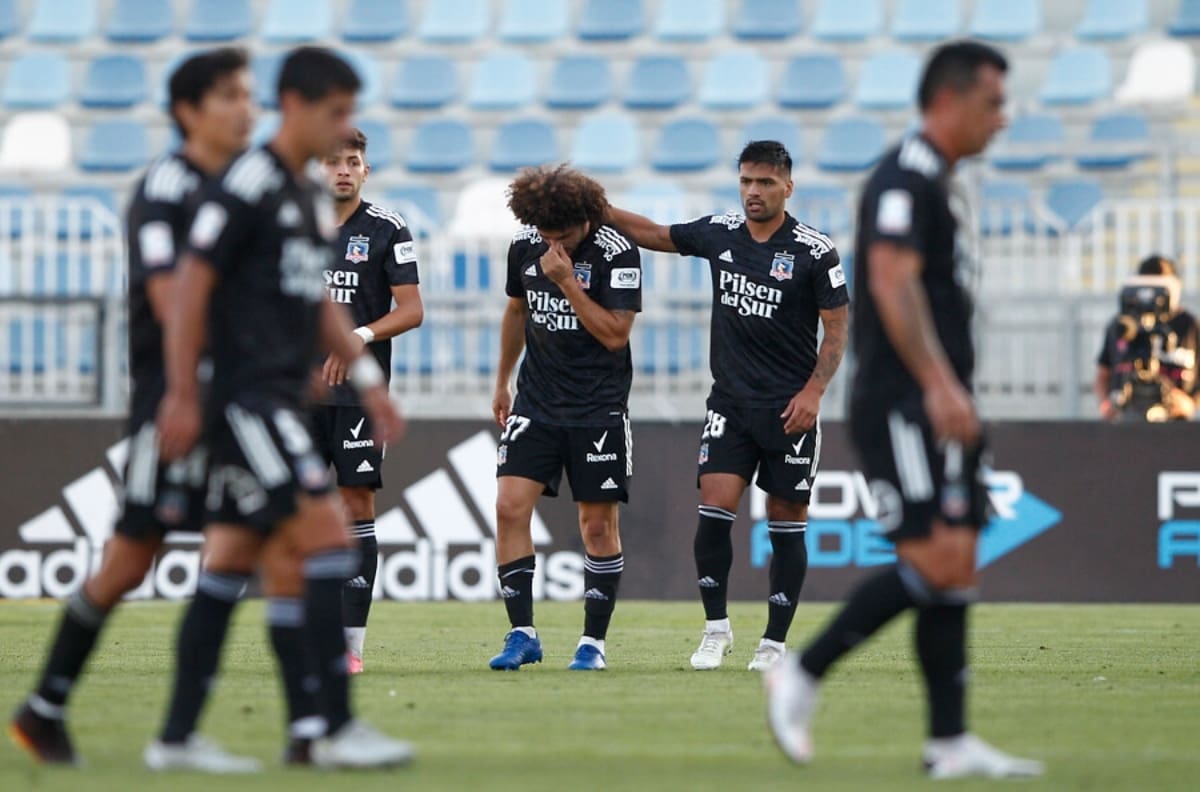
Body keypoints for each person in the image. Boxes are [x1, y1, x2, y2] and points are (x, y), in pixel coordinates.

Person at [765, 41, 1044, 779]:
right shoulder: (906, 176)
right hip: (907, 401)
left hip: (936, 399)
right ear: (949, 101)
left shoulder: (937, 180)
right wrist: (940, 384)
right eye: (994, 103)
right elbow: (889, 280)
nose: (1003, 120)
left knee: (956, 560)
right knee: (932, 558)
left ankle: (949, 742)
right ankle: (803, 672)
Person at [150, 46, 411, 771]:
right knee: (328, 539)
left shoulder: (297, 196)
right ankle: (330, 724)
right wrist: (180, 391)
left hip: (275, 396)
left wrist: (368, 377)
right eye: (336, 112)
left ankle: (194, 735)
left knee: (236, 557)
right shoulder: (248, 185)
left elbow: (318, 301)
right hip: (248, 398)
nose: (345, 129)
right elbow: (190, 291)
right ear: (296, 107)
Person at [9, 48, 253, 766]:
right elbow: (167, 297)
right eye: (231, 95)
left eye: (248, 94)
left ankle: (285, 727)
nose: (247, 107)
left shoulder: (239, 185)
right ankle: (56, 707)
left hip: (231, 399)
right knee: (131, 559)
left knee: (282, 536)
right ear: (190, 111)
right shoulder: (167, 188)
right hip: (175, 403)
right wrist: (185, 392)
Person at [606, 141, 849, 671]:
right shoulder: (721, 232)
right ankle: (716, 630)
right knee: (713, 514)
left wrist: (814, 393)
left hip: (790, 411)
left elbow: (837, 329)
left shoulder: (813, 250)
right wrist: (596, 208)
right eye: (745, 181)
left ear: (788, 185)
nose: (753, 192)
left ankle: (774, 643)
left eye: (764, 182)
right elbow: (655, 235)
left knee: (786, 523)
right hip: (731, 406)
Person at [489, 165, 642, 672]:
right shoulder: (525, 245)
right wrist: (502, 380)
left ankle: (592, 643)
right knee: (510, 507)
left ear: (586, 219)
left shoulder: (618, 252)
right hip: (536, 401)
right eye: (547, 236)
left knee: (596, 526)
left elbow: (615, 334)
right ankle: (522, 633)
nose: (555, 245)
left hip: (597, 407)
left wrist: (569, 283)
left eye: (566, 235)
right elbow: (517, 311)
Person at [313, 127, 423, 674]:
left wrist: (359, 337)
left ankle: (351, 647)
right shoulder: (293, 228)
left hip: (357, 396)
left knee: (357, 506)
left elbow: (411, 310)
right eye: (333, 161)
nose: (342, 170)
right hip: (298, 393)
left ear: (366, 170)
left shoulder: (385, 229)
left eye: (352, 161)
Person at [1095, 254, 1197, 422]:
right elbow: (1102, 375)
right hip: (1127, 421)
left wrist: (1189, 404)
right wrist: (1107, 404)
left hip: (1175, 423)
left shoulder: (1189, 325)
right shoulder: (1123, 325)